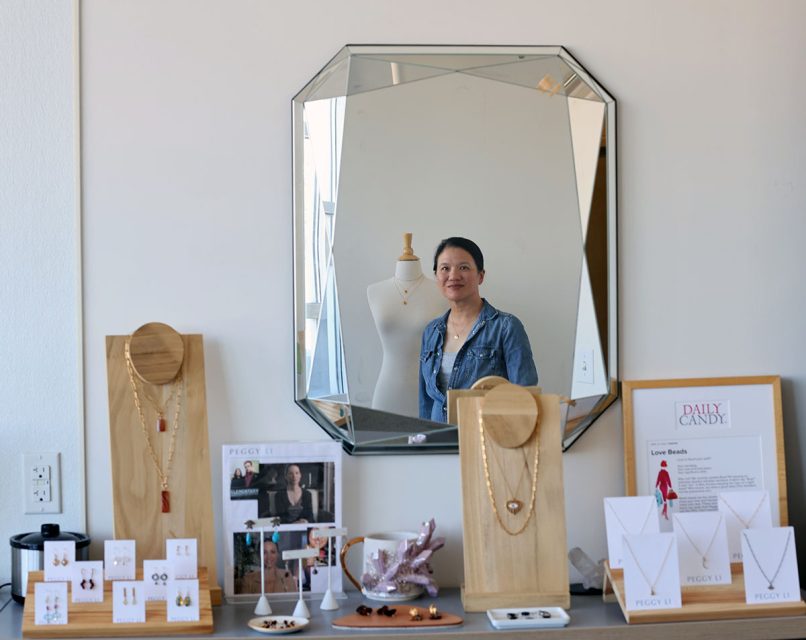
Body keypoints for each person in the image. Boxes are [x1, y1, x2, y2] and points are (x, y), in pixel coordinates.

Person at [419, 237, 538, 422]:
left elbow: (525, 397)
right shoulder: (431, 331)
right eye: (445, 268)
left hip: (486, 441)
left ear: (480, 276)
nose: (453, 275)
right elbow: (426, 402)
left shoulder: (506, 327)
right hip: (439, 443)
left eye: (464, 267)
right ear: (437, 276)